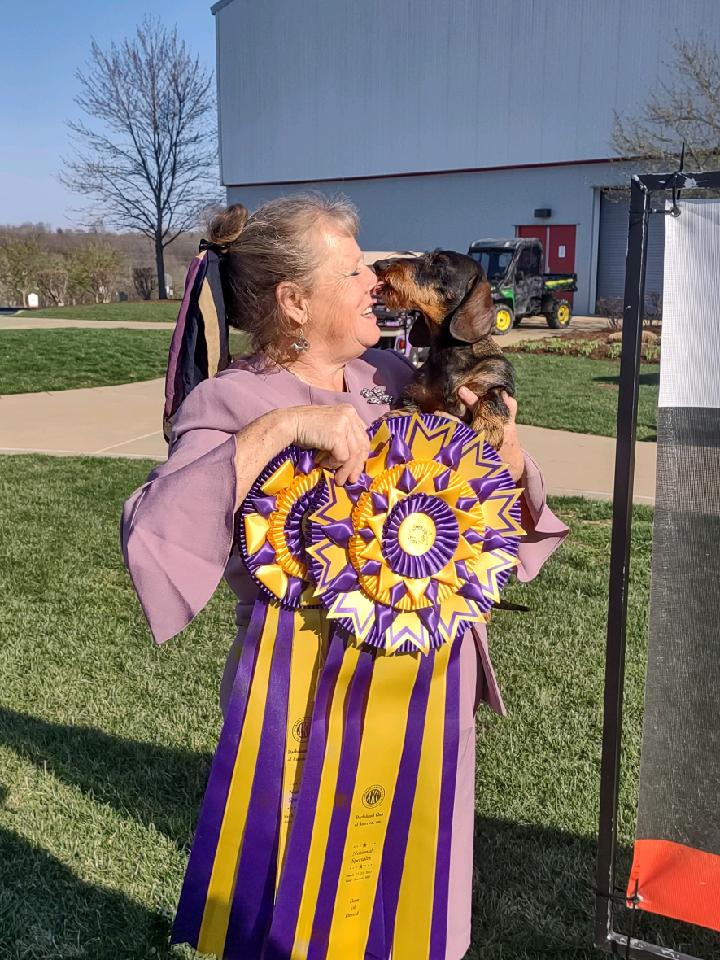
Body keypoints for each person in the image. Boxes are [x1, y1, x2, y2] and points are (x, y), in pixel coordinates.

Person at [121, 194, 568, 959]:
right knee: (303, 903)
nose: (375, 281)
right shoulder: (232, 399)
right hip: (306, 708)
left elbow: (498, 520)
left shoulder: (400, 377)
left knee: (416, 894)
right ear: (294, 301)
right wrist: (282, 429)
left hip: (432, 697)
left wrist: (508, 449)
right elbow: (156, 528)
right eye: (354, 269)